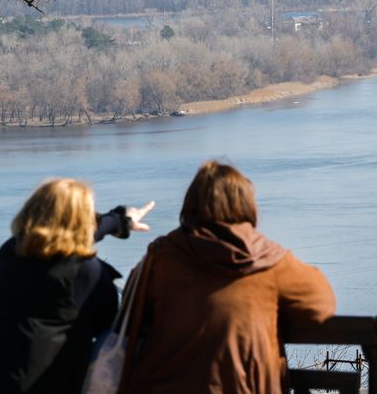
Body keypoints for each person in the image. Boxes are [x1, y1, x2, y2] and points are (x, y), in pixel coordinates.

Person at [122, 160, 335, 393]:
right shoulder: (268, 261)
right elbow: (321, 305)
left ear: (190, 205)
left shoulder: (160, 258)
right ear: (246, 206)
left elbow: (129, 315)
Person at [0, 179, 153, 393]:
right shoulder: (88, 273)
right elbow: (110, 326)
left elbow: (54, 241)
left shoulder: (9, 253)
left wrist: (118, 221)